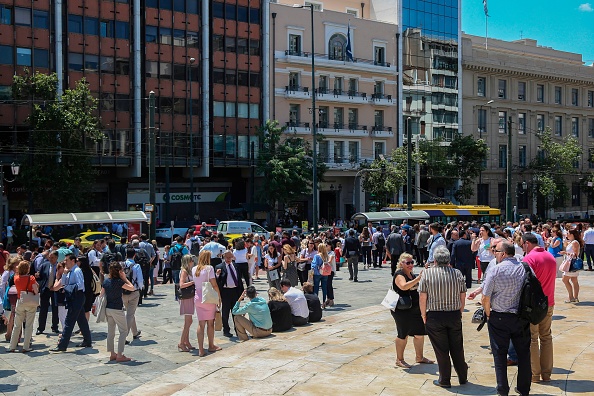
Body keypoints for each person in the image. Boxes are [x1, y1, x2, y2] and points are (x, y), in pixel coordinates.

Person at [482, 241, 531, 396]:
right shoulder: (525, 268)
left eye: (495, 250)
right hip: (520, 317)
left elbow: (485, 297)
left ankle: (503, 389)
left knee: (500, 354)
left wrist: (488, 314)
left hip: (499, 317)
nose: (494, 253)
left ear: (503, 253)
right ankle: (524, 389)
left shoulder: (496, 270)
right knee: (523, 354)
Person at [418, 246, 468, 389]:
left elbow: (423, 297)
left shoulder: (427, 274)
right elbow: (462, 295)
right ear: (448, 260)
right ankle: (462, 375)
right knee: (457, 347)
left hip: (434, 315)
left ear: (434, 260)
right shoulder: (457, 273)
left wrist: (423, 315)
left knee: (441, 349)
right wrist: (460, 311)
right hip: (453, 314)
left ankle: (445, 379)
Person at [521, 232, 556, 383]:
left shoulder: (528, 259)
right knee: (546, 337)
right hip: (549, 302)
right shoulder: (550, 257)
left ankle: (535, 374)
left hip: (533, 306)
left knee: (533, 339)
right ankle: (547, 373)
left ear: (527, 243)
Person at [391, 253, 433, 368]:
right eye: (407, 263)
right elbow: (404, 286)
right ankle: (399, 359)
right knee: (402, 334)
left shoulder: (412, 275)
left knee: (419, 333)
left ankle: (419, 357)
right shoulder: (399, 274)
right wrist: (418, 278)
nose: (410, 265)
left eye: (412, 262)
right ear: (401, 264)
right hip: (401, 310)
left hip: (415, 309)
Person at [51, 254, 93, 352]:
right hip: (73, 297)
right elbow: (64, 283)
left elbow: (80, 286)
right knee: (81, 319)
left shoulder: (77, 271)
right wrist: (64, 274)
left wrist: (67, 288)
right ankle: (87, 340)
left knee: (69, 321)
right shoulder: (69, 271)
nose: (65, 262)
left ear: (73, 261)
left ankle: (62, 345)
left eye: (67, 260)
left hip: (77, 297)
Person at [101, 261, 135, 363]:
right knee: (123, 331)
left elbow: (101, 294)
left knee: (111, 332)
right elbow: (132, 288)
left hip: (108, 309)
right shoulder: (119, 282)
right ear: (120, 271)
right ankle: (120, 354)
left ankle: (112, 354)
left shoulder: (106, 281)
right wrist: (124, 278)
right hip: (117, 309)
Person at [193, 250, 221, 356]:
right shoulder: (209, 268)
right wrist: (218, 297)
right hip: (208, 297)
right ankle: (211, 345)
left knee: (201, 324)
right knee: (210, 323)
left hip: (198, 297)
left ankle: (201, 349)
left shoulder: (194, 269)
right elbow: (214, 285)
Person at [8, 261, 39, 352]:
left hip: (20, 301)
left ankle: (12, 346)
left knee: (17, 325)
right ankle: (26, 346)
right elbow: (36, 291)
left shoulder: (16, 277)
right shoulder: (31, 278)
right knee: (29, 325)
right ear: (28, 269)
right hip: (30, 302)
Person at [215, 250, 244, 338]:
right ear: (223, 257)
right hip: (225, 291)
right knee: (225, 312)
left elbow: (239, 280)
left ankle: (238, 330)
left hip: (235, 291)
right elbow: (216, 282)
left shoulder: (236, 266)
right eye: (226, 257)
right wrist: (217, 275)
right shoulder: (219, 266)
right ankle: (226, 330)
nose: (228, 259)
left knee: (235, 312)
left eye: (230, 257)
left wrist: (242, 293)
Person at [35, 250, 59, 335]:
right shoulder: (45, 265)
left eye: (52, 258)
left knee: (55, 309)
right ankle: (41, 328)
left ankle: (55, 326)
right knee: (43, 309)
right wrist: (37, 276)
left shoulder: (59, 266)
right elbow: (40, 277)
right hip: (45, 290)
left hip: (55, 290)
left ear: (56, 258)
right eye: (49, 257)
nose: (50, 259)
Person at [122, 248, 143, 343]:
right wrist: (140, 288)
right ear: (134, 255)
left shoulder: (122, 265)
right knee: (130, 314)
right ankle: (124, 336)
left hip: (123, 291)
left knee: (130, 312)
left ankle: (134, 332)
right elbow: (140, 280)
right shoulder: (136, 266)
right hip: (134, 291)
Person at [178, 254, 196, 352]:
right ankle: (181, 342)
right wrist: (192, 282)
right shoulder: (184, 271)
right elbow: (181, 284)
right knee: (188, 321)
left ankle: (186, 341)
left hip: (189, 297)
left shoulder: (188, 270)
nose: (193, 262)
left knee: (189, 321)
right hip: (186, 297)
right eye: (191, 260)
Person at [560, 229, 582, 303]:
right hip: (571, 263)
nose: (566, 234)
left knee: (565, 279)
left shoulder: (575, 242)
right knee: (574, 280)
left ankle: (571, 297)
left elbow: (575, 254)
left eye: (568, 233)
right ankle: (575, 297)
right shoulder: (571, 242)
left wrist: (565, 253)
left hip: (571, 264)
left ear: (572, 234)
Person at [310, 242, 330, 307]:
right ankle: (324, 302)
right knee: (324, 288)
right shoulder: (326, 256)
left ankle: (316, 302)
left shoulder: (317, 256)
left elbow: (314, 265)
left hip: (317, 273)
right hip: (325, 273)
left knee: (316, 288)